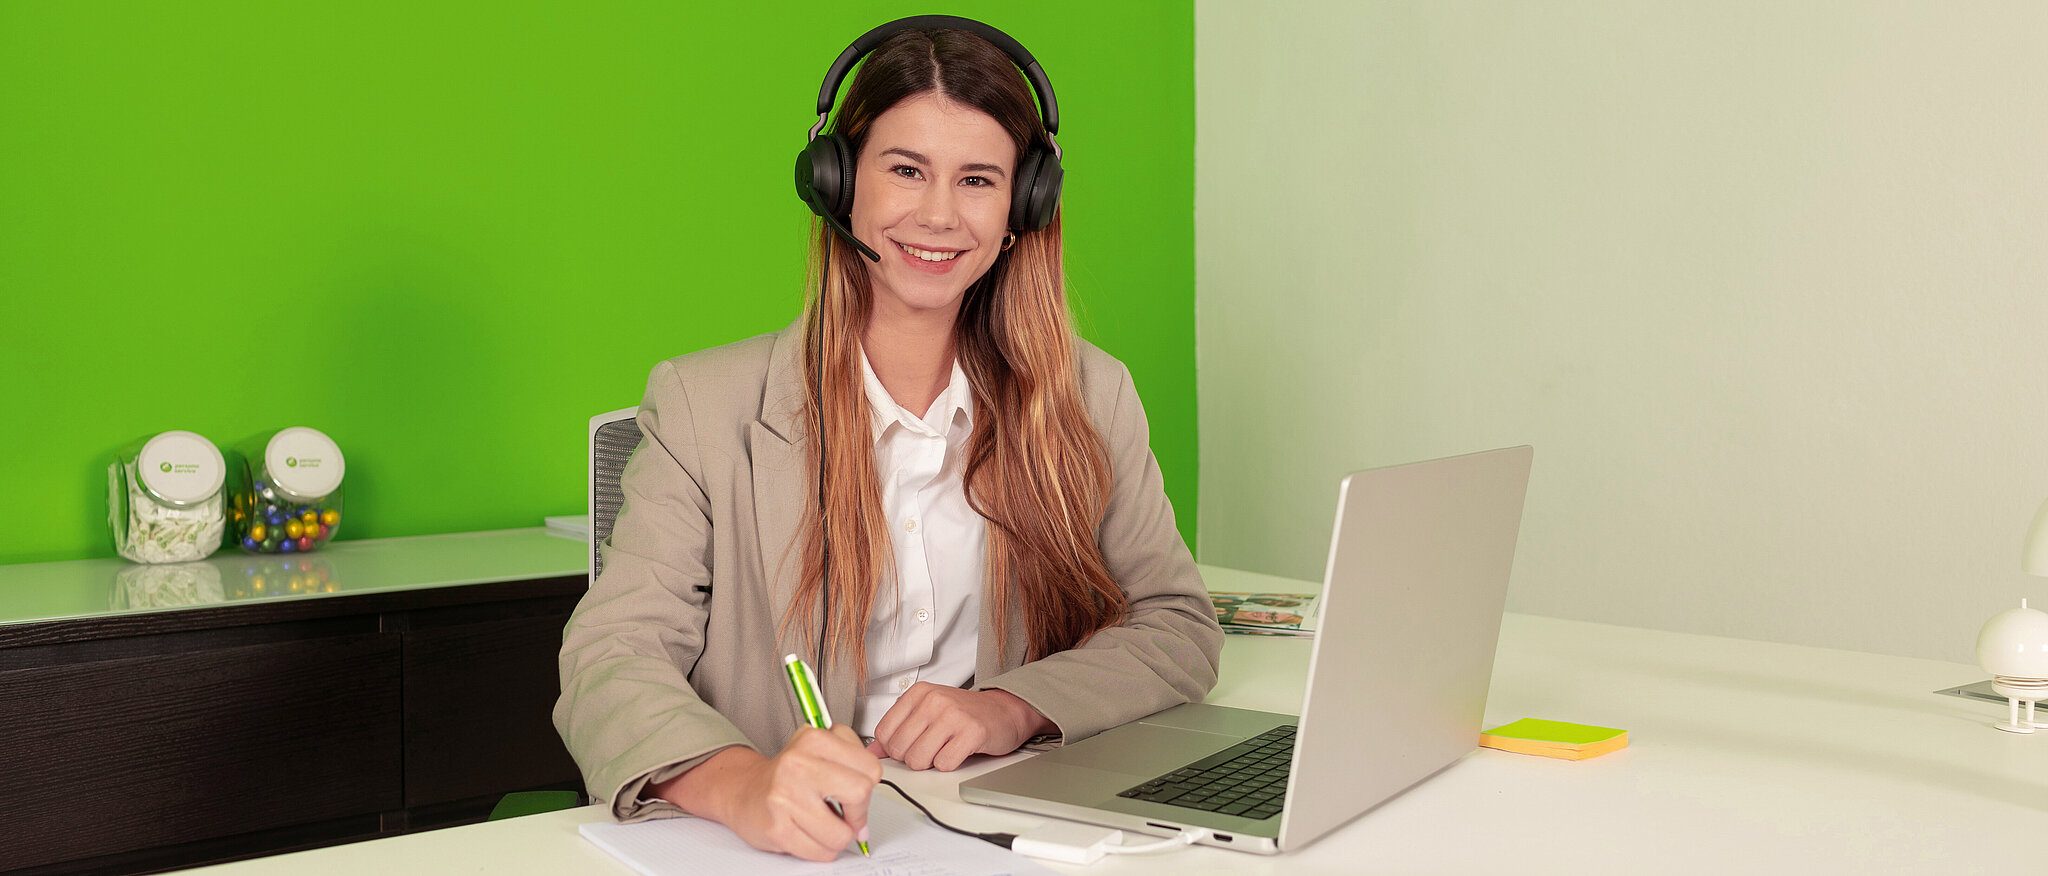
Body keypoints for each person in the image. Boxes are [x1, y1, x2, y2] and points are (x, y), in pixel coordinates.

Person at [554, 17, 1221, 863]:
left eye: (977, 179)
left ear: (1022, 207)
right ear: (838, 185)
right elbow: (612, 656)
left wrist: (1011, 707)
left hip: (996, 830)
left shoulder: (1089, 394)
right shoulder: (701, 404)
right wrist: (743, 784)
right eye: (906, 170)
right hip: (795, 846)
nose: (938, 215)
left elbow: (1177, 623)